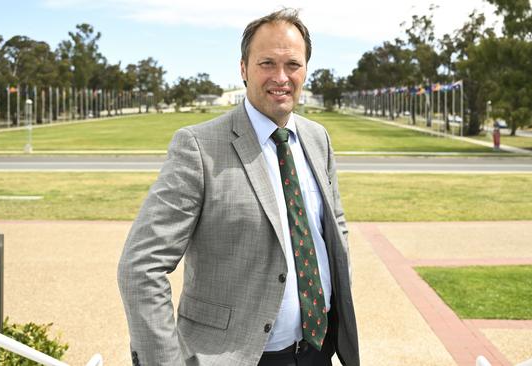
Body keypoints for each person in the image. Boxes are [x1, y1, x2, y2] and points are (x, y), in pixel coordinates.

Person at [117, 8, 359, 366]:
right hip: (235, 357)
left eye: (293, 64)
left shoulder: (316, 138)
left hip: (317, 351)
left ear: (306, 70)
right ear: (243, 68)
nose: (281, 77)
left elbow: (333, 229)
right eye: (267, 63)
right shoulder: (199, 147)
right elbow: (141, 267)